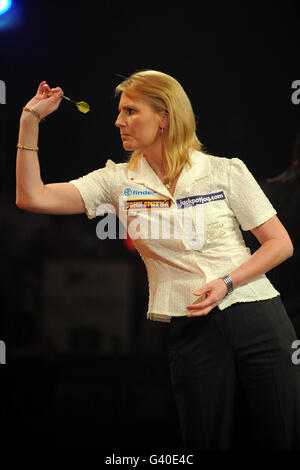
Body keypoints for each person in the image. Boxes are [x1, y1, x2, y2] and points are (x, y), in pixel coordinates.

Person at [16, 70, 300, 450]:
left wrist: (227, 282)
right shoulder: (116, 182)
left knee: (281, 437)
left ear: (164, 116)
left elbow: (279, 244)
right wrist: (29, 120)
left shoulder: (225, 170)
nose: (118, 121)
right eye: (120, 112)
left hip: (259, 318)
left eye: (131, 111)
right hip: (191, 326)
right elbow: (31, 197)